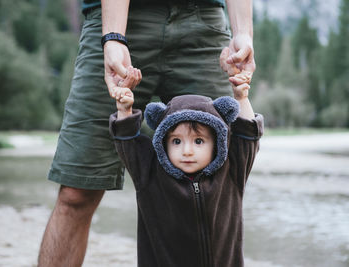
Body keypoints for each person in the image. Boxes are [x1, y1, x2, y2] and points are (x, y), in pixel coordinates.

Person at [38, 0, 255, 266]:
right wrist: (113, 36)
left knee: (219, 184)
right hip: (119, 21)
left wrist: (243, 32)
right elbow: (130, 143)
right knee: (77, 191)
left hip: (205, 25)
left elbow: (247, 138)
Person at [109, 67, 263, 266]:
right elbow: (127, 140)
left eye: (198, 141)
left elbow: (247, 135)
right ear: (163, 142)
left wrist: (241, 97)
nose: (187, 151)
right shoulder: (149, 173)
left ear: (216, 143)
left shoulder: (232, 171)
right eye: (176, 141)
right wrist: (124, 110)